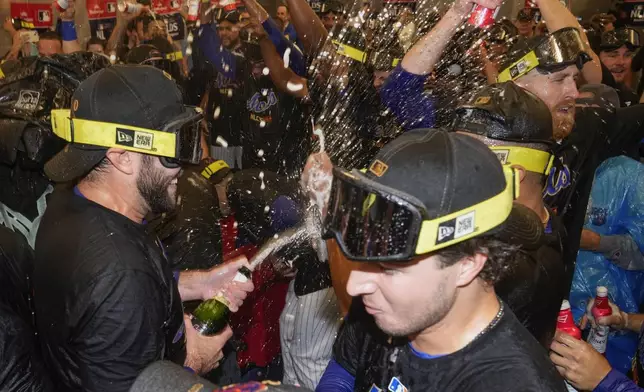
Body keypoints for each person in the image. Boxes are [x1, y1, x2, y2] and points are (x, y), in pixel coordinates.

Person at [33, 65, 254, 392]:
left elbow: (129, 290)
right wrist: (195, 359)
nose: (185, 166)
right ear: (122, 157)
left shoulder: (72, 202)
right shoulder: (121, 276)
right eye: (173, 151)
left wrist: (199, 284)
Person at [315, 129, 566, 391]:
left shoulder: (514, 384)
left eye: (388, 268)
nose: (355, 284)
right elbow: (344, 370)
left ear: (468, 263)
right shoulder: (384, 305)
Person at [452, 82, 567, 347]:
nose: (454, 172)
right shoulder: (544, 221)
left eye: (467, 162)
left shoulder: (515, 269)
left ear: (513, 175)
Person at [597, 28, 641, 106]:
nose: (621, 62)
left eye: (627, 55)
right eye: (613, 56)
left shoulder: (632, 96)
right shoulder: (584, 99)